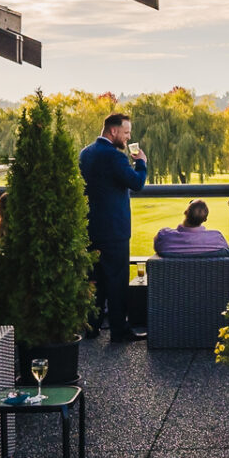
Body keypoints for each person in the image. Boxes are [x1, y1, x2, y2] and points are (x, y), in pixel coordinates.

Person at [79, 112, 147, 343]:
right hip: (114, 230)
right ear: (113, 131)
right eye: (126, 133)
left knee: (94, 279)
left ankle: (92, 325)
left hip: (91, 228)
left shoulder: (85, 153)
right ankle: (119, 329)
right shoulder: (114, 157)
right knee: (117, 280)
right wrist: (141, 163)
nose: (128, 138)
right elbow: (136, 183)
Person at [154, 200, 229, 257]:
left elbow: (157, 247)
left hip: (173, 279)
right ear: (205, 219)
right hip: (208, 279)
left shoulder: (165, 236)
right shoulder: (217, 238)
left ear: (185, 212)